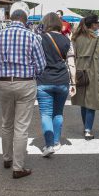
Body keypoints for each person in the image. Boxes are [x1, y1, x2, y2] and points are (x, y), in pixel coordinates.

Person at [0, 1, 46, 178]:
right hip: (25, 83)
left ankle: (7, 158)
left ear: (10, 18)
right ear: (25, 19)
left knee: (7, 123)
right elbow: (41, 65)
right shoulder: (32, 37)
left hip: (5, 83)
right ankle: (18, 167)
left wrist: (3, 71)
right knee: (21, 126)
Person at [37, 12, 75, 158]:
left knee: (46, 114)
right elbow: (71, 63)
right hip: (62, 80)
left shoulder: (39, 38)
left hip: (44, 80)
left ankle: (49, 145)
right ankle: (57, 142)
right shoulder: (67, 40)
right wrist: (73, 82)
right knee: (58, 113)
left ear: (45, 23)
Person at [71, 14, 99, 140]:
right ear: (93, 25)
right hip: (94, 72)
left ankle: (86, 127)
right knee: (92, 101)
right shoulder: (98, 39)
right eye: (97, 23)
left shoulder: (76, 38)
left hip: (80, 71)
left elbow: (73, 56)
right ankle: (88, 129)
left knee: (83, 101)